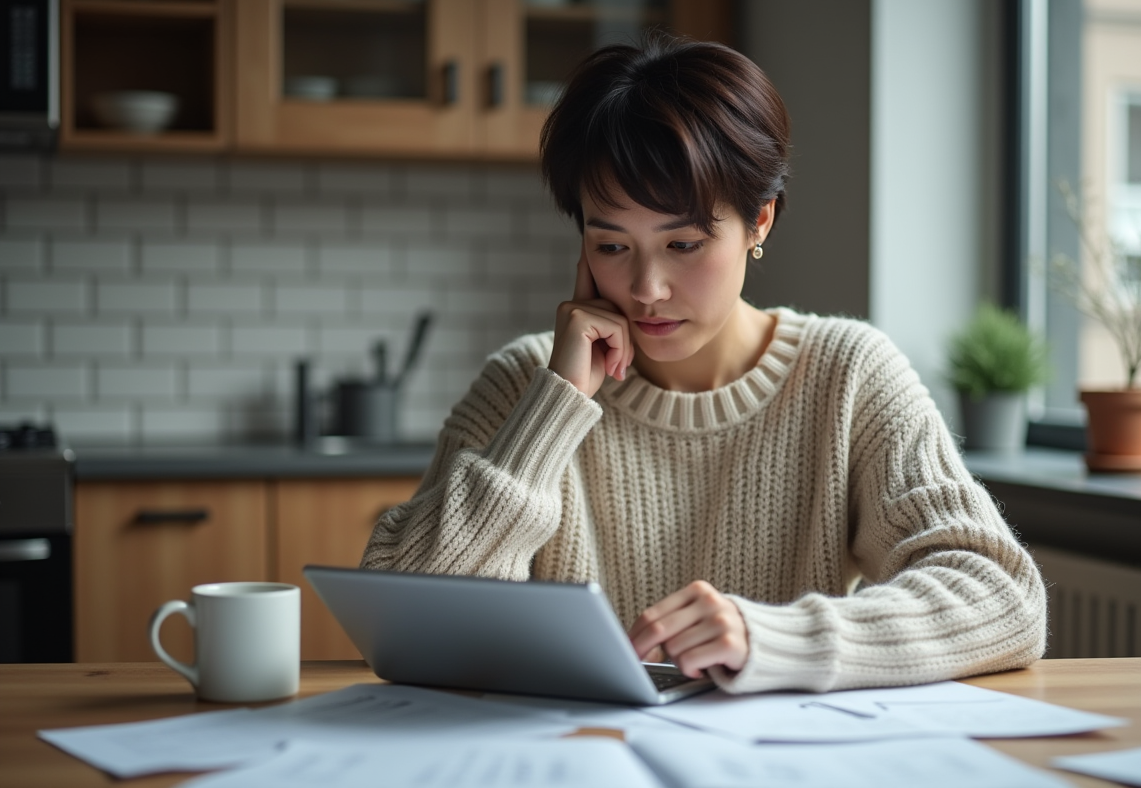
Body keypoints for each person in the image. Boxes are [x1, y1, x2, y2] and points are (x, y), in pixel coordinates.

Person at [361, 35, 1047, 694]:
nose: (645, 288)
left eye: (683, 244)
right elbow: (402, 622)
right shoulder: (525, 384)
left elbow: (1002, 597)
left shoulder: (848, 375)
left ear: (760, 222)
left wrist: (772, 639)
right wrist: (554, 407)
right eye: (610, 245)